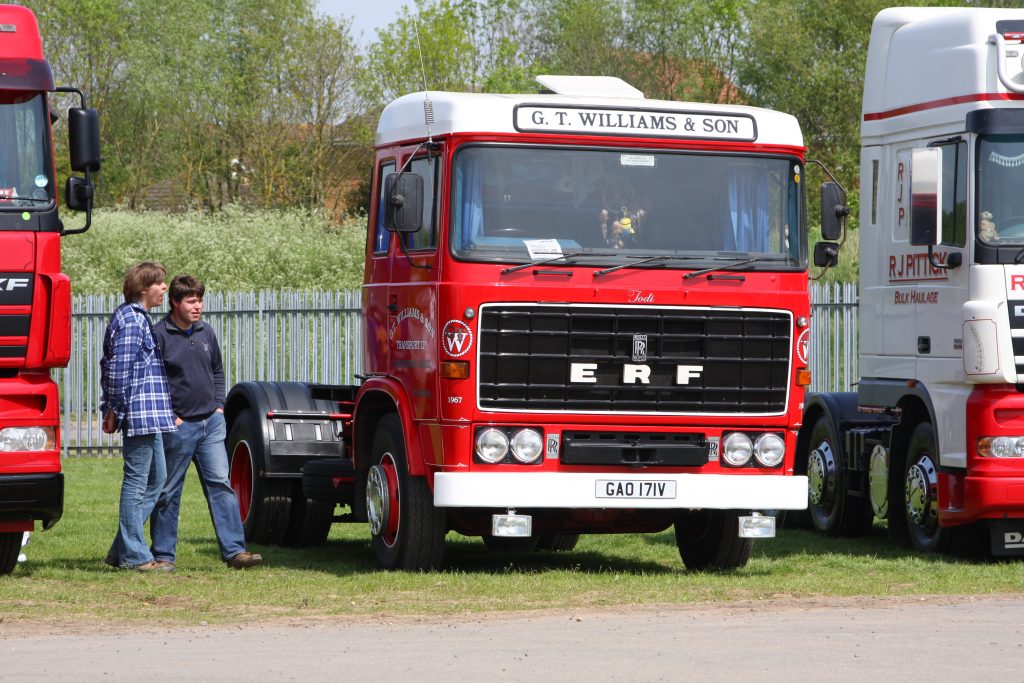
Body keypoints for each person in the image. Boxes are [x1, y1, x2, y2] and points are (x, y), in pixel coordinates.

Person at [150, 275, 263, 570]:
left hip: (211, 425)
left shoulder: (206, 332)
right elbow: (154, 381)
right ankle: (163, 556)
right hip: (178, 426)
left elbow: (217, 371)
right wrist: (169, 416)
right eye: (191, 301)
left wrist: (219, 406)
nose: (197, 306)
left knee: (221, 486)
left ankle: (235, 552)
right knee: (169, 491)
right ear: (175, 302)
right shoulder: (159, 334)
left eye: (199, 300)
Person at [101, 261, 177, 571]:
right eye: (160, 283)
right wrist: (114, 410)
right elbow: (119, 371)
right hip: (139, 414)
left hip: (151, 415)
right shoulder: (132, 320)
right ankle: (134, 556)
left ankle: (121, 550)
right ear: (143, 288)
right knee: (136, 483)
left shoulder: (139, 318)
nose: (164, 289)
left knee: (156, 480)